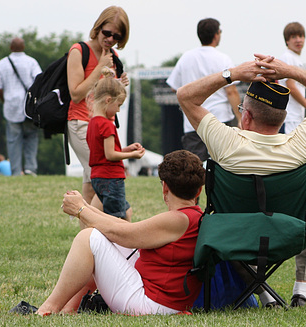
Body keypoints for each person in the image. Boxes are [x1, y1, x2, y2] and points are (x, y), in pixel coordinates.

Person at [176, 53, 306, 310]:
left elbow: (185, 95)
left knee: (224, 216)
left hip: (235, 234)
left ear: (247, 117)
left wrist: (233, 74)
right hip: (289, 231)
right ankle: (301, 289)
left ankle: (265, 294)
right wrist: (289, 71)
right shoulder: (303, 143)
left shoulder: (226, 143)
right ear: (282, 118)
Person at [35, 150, 205, 316]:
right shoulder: (193, 216)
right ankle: (69, 308)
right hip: (162, 301)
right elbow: (121, 228)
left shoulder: (178, 219)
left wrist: (80, 210)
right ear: (199, 191)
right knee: (103, 238)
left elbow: (127, 234)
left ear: (164, 187)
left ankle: (48, 309)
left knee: (87, 238)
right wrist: (85, 207)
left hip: (152, 305)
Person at [67, 6, 131, 209]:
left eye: (117, 36)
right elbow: (76, 94)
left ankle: (86, 234)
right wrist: (99, 67)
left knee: (91, 182)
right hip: (82, 124)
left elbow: (104, 94)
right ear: (98, 27)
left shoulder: (113, 57)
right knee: (101, 177)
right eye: (107, 33)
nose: (110, 39)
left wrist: (119, 84)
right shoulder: (79, 51)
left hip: (104, 125)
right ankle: (99, 228)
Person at [166, 18, 241, 161]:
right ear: (216, 35)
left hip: (193, 122)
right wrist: (240, 117)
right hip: (220, 119)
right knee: (224, 163)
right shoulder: (223, 59)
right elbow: (231, 91)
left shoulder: (186, 57)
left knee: (195, 167)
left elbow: (174, 88)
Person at [87, 67, 145, 221]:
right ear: (108, 100)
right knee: (117, 219)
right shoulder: (107, 124)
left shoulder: (92, 123)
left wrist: (127, 149)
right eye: (118, 105)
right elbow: (110, 155)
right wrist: (132, 155)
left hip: (97, 178)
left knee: (127, 212)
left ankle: (127, 244)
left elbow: (103, 151)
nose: (118, 110)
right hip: (111, 178)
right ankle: (120, 245)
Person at [0, 37, 42, 176]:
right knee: (31, 137)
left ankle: (15, 171)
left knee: (13, 141)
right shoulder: (31, 62)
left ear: (10, 48)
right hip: (28, 106)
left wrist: (5, 101)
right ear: (24, 47)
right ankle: (30, 168)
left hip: (11, 107)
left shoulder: (2, 64)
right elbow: (39, 81)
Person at [278, 22, 306, 134]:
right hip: (289, 117)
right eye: (294, 37)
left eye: (301, 36)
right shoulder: (287, 57)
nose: (298, 40)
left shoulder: (297, 60)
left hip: (296, 116)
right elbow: (291, 87)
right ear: (287, 41)